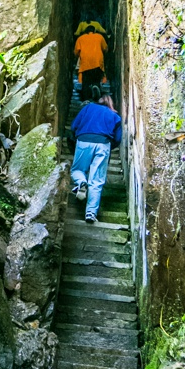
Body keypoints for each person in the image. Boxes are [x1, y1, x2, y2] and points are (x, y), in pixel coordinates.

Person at [70, 92, 122, 223]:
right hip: (103, 143)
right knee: (97, 180)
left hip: (84, 140)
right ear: (111, 104)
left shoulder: (88, 108)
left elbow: (73, 126)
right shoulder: (115, 116)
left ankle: (81, 182)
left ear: (99, 101)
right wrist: (108, 146)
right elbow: (118, 139)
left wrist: (76, 138)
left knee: (77, 170)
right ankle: (90, 213)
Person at [74, 24, 108, 100]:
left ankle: (86, 98)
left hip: (85, 64)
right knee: (96, 79)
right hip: (98, 63)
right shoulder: (99, 36)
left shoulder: (80, 38)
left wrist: (80, 56)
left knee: (86, 82)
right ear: (94, 31)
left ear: (85, 32)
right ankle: (97, 96)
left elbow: (76, 52)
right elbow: (105, 48)